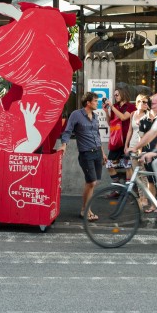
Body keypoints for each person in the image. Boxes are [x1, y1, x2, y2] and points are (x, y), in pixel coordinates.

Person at [57, 92, 107, 221]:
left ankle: (86, 208)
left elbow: (97, 136)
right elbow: (67, 131)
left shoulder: (95, 116)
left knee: (92, 183)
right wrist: (64, 145)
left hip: (97, 153)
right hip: (86, 153)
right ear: (88, 103)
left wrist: (102, 153)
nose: (97, 103)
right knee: (91, 182)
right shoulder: (76, 115)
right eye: (95, 101)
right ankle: (85, 210)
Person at [124, 93, 157, 206]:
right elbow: (130, 131)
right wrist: (126, 145)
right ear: (137, 103)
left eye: (146, 102)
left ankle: (145, 199)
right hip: (133, 146)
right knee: (136, 175)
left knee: (144, 175)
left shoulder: (148, 116)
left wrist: (140, 150)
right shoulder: (132, 114)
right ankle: (140, 197)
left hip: (143, 148)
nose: (145, 104)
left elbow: (147, 135)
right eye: (142, 102)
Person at [103, 87, 135, 183]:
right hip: (116, 140)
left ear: (123, 94)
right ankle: (117, 188)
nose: (115, 97)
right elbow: (110, 123)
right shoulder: (115, 107)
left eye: (117, 95)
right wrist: (106, 112)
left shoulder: (131, 106)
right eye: (114, 95)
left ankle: (129, 189)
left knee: (128, 165)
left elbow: (123, 117)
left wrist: (112, 107)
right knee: (109, 164)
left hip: (127, 139)